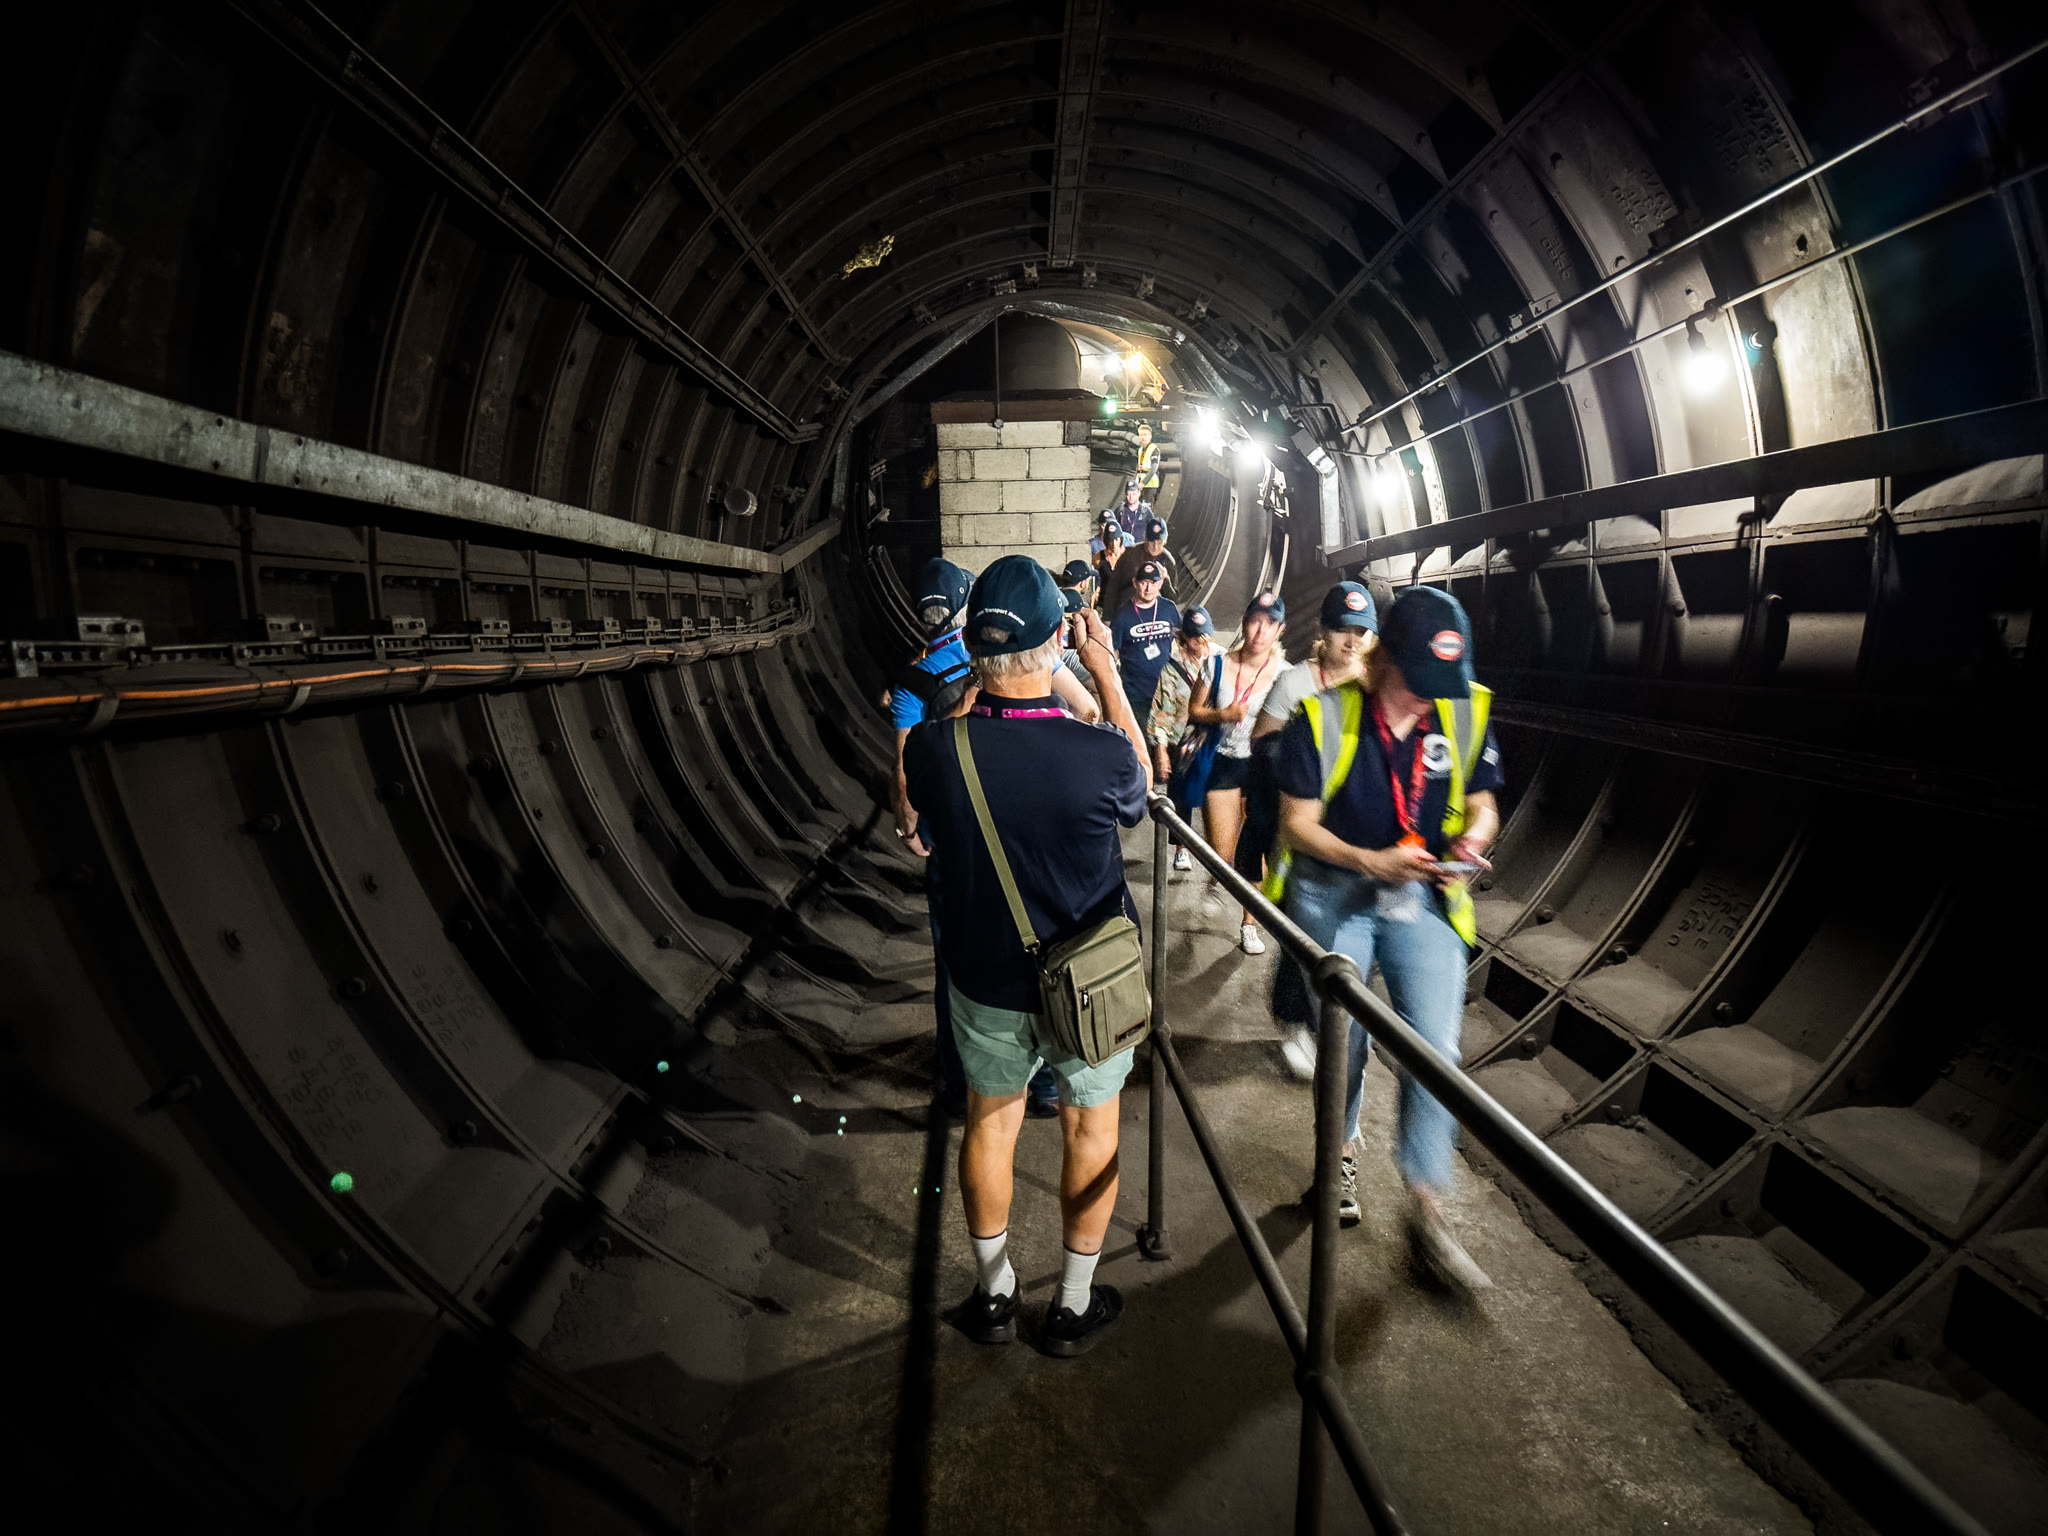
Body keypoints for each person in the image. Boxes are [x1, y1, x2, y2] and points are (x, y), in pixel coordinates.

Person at [902, 556, 1152, 1356]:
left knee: (990, 1124)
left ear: (974, 646)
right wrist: (1104, 671)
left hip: (986, 978)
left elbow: (927, 803)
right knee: (1090, 1129)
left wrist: (976, 686)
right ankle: (1071, 1307)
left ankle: (995, 1294)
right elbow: (1144, 783)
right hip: (1090, 984)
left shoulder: (936, 750)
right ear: (1058, 643)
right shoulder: (1099, 755)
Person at [1269, 586, 1503, 1293]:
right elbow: (1296, 825)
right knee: (1343, 1041)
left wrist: (1474, 837)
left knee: (1436, 1051)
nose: (1431, 698)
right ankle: (1338, 1157)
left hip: (1421, 894)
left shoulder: (1464, 708)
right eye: (1418, 681)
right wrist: (1370, 861)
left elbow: (1485, 801)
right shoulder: (1321, 717)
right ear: (1384, 661)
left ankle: (1427, 1210)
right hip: (1335, 890)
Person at [891, 557, 1060, 1122]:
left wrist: (911, 823)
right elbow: (1080, 713)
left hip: (956, 840)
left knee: (956, 965)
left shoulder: (917, 679)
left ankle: (962, 1084)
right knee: (1040, 952)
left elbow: (905, 766)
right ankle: (1043, 1083)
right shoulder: (1025, 657)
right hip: (1023, 833)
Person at [1252, 581, 1378, 1078]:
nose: (1352, 640)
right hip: (1300, 834)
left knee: (1345, 939)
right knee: (1301, 932)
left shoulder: (1374, 689)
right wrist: (1299, 759)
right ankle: (1295, 1019)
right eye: (1343, 629)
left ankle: (1327, 1025)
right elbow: (1262, 744)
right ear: (1323, 632)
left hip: (1353, 838)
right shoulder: (1295, 683)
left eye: (1362, 631)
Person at [1187, 591, 1291, 954]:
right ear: (1245, 623)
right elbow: (1194, 710)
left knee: (1256, 849)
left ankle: (1250, 922)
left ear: (1279, 630)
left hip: (1263, 769)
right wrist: (1223, 714)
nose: (1260, 631)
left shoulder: (1286, 676)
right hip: (1224, 761)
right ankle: (1221, 878)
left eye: (1269, 624)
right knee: (1223, 852)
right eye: (1254, 621)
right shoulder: (1216, 664)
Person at [1145, 607, 1219, 872]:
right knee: (1181, 799)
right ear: (1184, 637)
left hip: (1214, 741)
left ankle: (1220, 850)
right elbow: (1162, 712)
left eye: (1204, 636)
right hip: (1183, 742)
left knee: (1216, 796)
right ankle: (1181, 849)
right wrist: (1161, 750)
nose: (1201, 642)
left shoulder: (1220, 660)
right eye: (1195, 637)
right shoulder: (1171, 668)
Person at [1108, 558, 1180, 742]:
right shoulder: (1123, 615)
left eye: (1153, 583)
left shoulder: (1169, 609)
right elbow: (1112, 651)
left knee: (1165, 740)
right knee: (1140, 740)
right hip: (1136, 693)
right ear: (1135, 583)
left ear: (1160, 583)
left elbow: (1182, 640)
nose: (1149, 588)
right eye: (1144, 583)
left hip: (1166, 692)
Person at [1102, 515, 1174, 617]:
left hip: (1155, 613)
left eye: (1159, 542)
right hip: (1127, 608)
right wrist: (1108, 617)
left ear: (1165, 540)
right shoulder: (1130, 554)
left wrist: (1166, 580)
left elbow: (1174, 599)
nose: (1155, 547)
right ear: (1145, 538)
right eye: (1151, 542)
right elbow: (1112, 587)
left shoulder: (1167, 560)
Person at [1103, 477, 1149, 544]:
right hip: (1124, 546)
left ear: (1139, 493)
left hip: (1140, 546)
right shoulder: (1120, 511)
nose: (1131, 497)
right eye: (1128, 494)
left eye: (1133, 494)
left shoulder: (1145, 511)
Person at [1134, 422, 1162, 504]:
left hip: (1150, 485)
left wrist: (1143, 483)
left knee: (1146, 508)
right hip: (1140, 484)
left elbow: (1153, 468)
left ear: (1150, 436)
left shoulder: (1154, 449)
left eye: (1145, 435)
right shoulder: (1140, 450)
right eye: (1141, 435)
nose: (1143, 437)